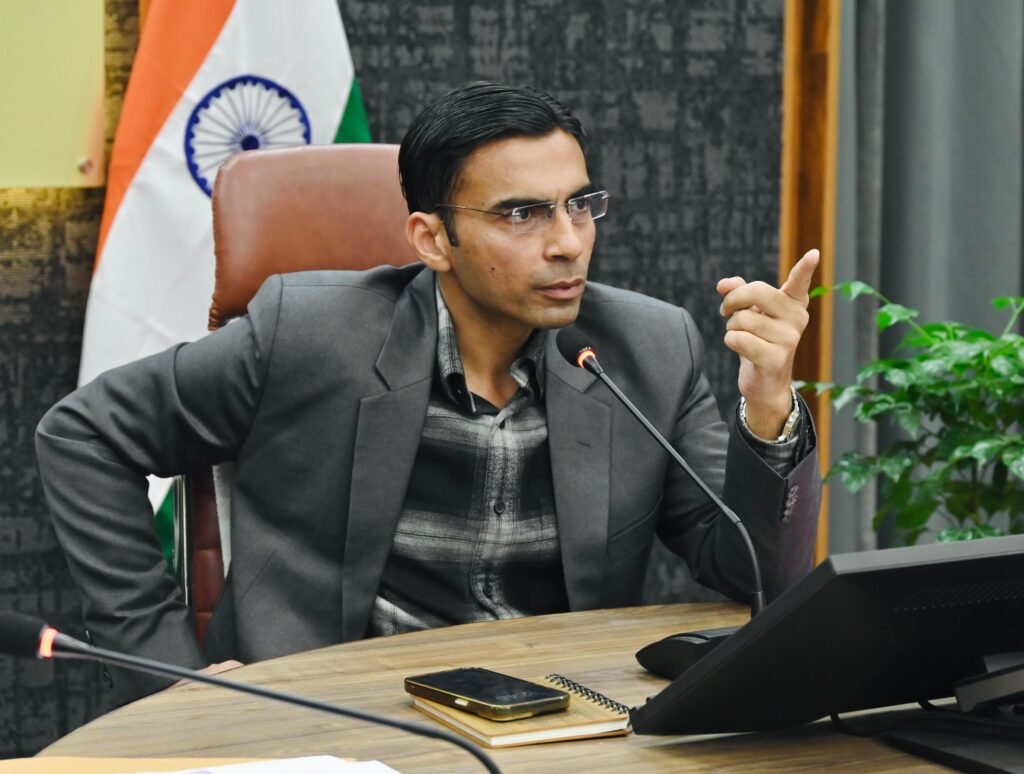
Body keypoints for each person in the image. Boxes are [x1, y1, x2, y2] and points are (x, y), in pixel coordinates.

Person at [35, 82, 821, 705]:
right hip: (346, 716)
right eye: (523, 214)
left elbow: (753, 574)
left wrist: (767, 407)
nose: (568, 242)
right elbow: (82, 436)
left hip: (562, 721)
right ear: (432, 239)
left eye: (579, 205)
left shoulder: (644, 347)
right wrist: (169, 672)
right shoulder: (309, 335)